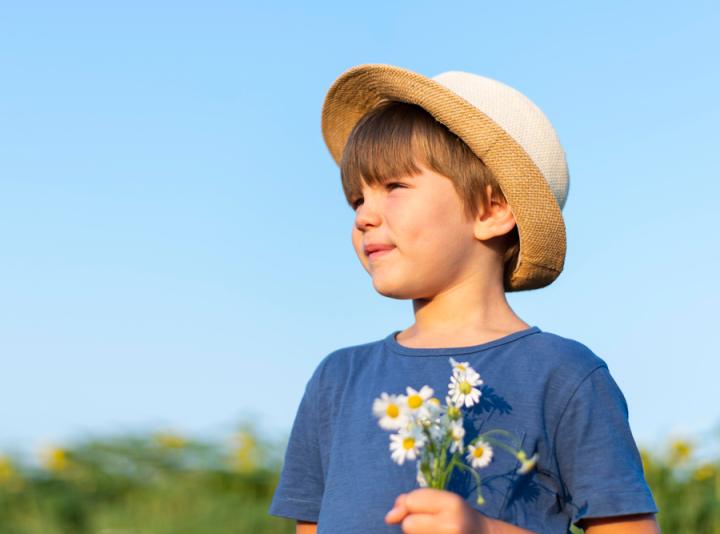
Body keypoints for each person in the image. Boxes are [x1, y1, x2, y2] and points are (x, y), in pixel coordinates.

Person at [268, 64, 660, 533]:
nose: (365, 216)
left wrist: (485, 530)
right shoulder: (337, 379)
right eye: (356, 199)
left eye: (394, 186)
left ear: (492, 210)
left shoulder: (565, 375)